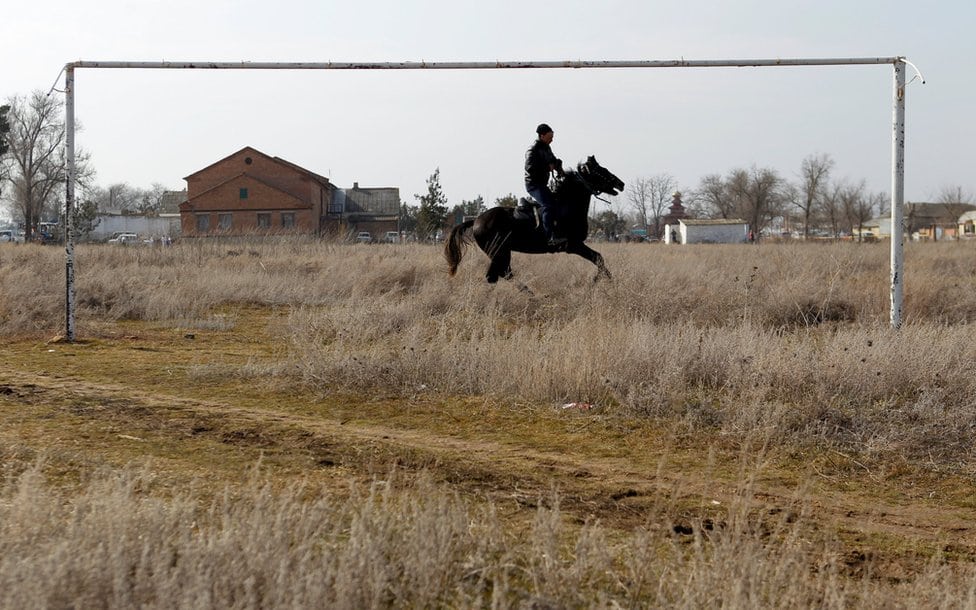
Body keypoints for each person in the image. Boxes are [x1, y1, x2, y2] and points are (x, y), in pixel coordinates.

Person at [524, 123, 566, 247]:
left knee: (557, 203)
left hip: (543, 184)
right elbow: (530, 169)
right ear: (542, 136)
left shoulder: (547, 148)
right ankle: (549, 238)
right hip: (533, 185)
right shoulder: (532, 150)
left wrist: (558, 166)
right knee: (548, 206)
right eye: (550, 137)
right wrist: (547, 167)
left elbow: (553, 160)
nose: (552, 140)